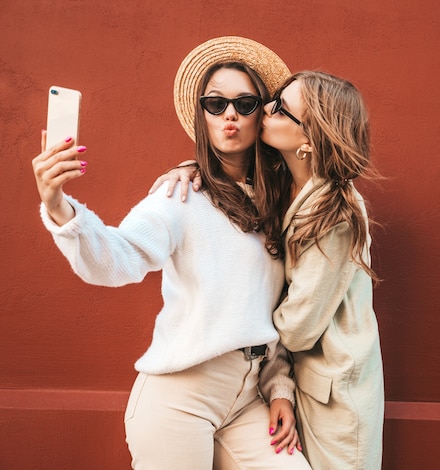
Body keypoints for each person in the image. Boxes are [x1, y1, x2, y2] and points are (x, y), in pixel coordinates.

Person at [31, 36, 312, 470]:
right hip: (180, 396)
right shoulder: (180, 195)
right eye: (215, 104)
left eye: (245, 102)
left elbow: (273, 310)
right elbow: (117, 258)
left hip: (247, 398)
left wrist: (280, 390)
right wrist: (58, 206)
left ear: (262, 113)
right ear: (202, 116)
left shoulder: (277, 203)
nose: (230, 114)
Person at [153, 70, 385, 470]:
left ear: (309, 140)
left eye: (280, 108)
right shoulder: (282, 182)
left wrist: (244, 310)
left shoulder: (336, 214)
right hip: (295, 385)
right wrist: (192, 167)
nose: (266, 110)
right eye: (272, 99)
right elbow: (228, 172)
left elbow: (298, 328)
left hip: (335, 393)